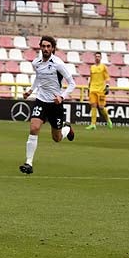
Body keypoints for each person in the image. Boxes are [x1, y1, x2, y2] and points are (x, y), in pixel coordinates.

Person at [19, 35, 76, 175]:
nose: (45, 49)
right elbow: (39, 77)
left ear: (52, 48)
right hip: (41, 100)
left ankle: (66, 129)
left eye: (48, 46)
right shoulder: (36, 62)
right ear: (40, 47)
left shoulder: (58, 64)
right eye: (43, 46)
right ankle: (28, 163)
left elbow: (72, 83)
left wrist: (62, 97)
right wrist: (31, 91)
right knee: (34, 128)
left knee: (56, 138)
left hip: (55, 104)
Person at [86, 52, 113, 130]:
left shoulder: (103, 67)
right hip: (93, 89)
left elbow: (107, 78)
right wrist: (88, 88)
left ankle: (108, 120)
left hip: (101, 90)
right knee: (93, 106)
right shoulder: (92, 67)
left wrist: (107, 86)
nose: (97, 58)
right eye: (96, 56)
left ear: (101, 58)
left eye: (99, 56)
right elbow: (90, 78)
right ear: (94, 57)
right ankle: (93, 124)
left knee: (101, 107)